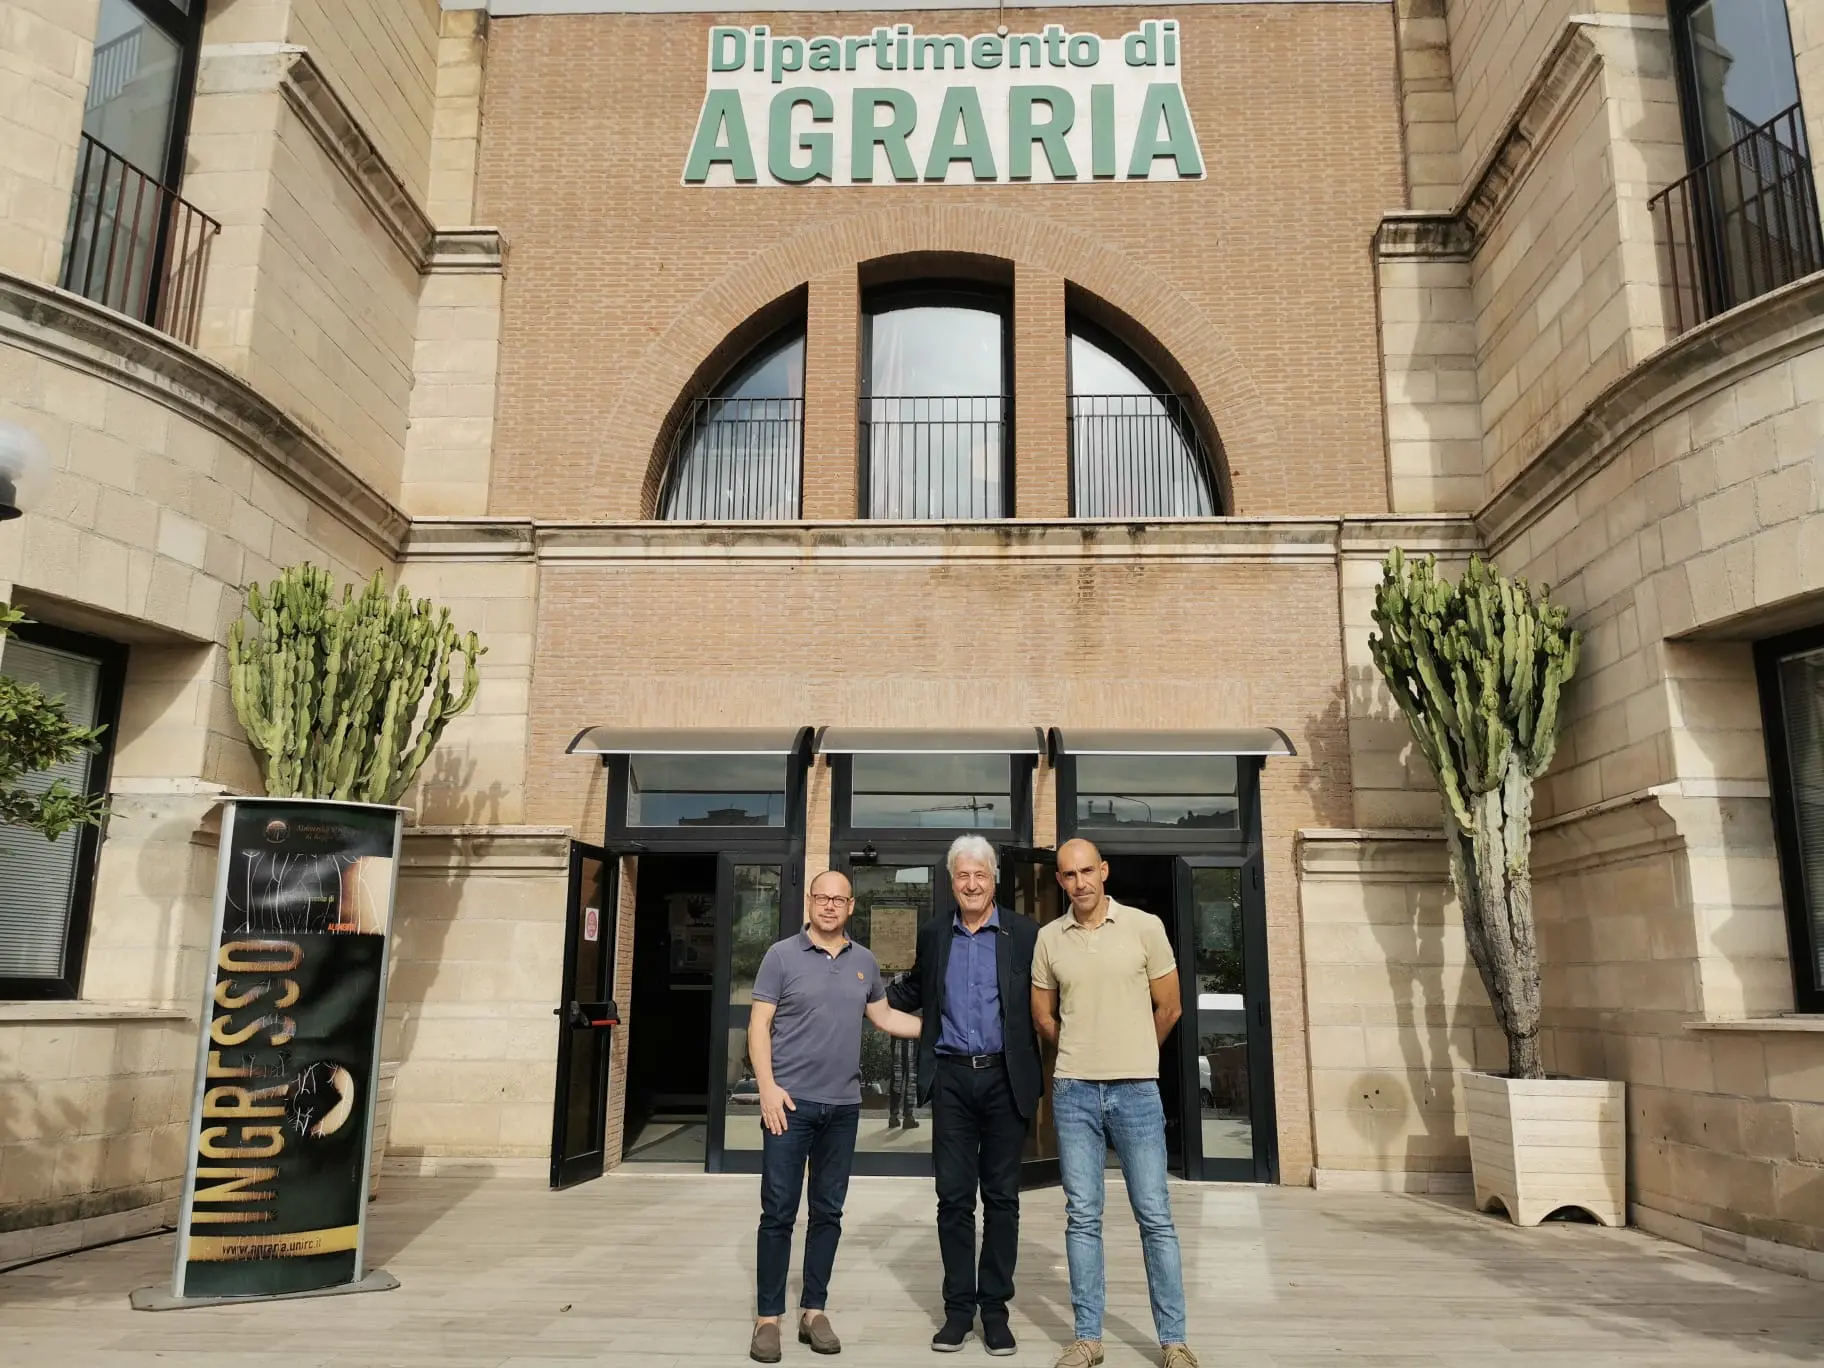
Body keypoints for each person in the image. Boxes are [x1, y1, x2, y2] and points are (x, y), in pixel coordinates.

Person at [1031, 838, 1198, 1368]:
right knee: (1083, 1216)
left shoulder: (1145, 926)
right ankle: (1087, 1339)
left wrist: (1132, 1050)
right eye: (1068, 875)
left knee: (1155, 1216)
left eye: (1087, 871)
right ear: (1059, 881)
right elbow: (1043, 1016)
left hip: (1137, 1092)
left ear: (1103, 871)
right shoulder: (1048, 939)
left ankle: (1174, 1342)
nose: (1079, 882)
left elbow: (1169, 1006)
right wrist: (1083, 1048)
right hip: (1074, 1090)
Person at [748, 868, 923, 1363]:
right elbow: (759, 1026)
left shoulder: (864, 961)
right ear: (810, 902)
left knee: (828, 1212)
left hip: (842, 1108)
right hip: (789, 1104)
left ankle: (813, 1311)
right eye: (821, 897)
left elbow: (885, 1017)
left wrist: (943, 1030)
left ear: (851, 907)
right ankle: (767, 1319)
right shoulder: (781, 956)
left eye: (838, 899)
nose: (829, 906)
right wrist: (767, 1089)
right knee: (778, 1212)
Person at [886, 835, 1042, 1356]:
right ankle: (958, 1310)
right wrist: (851, 985)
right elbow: (910, 992)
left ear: (993, 879)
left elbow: (1057, 993)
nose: (971, 884)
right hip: (951, 1078)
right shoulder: (935, 935)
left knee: (1001, 1199)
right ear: (952, 881)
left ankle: (994, 1310)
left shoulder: (1024, 934)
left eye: (980, 875)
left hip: (1005, 1079)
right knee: (953, 1199)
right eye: (961, 876)